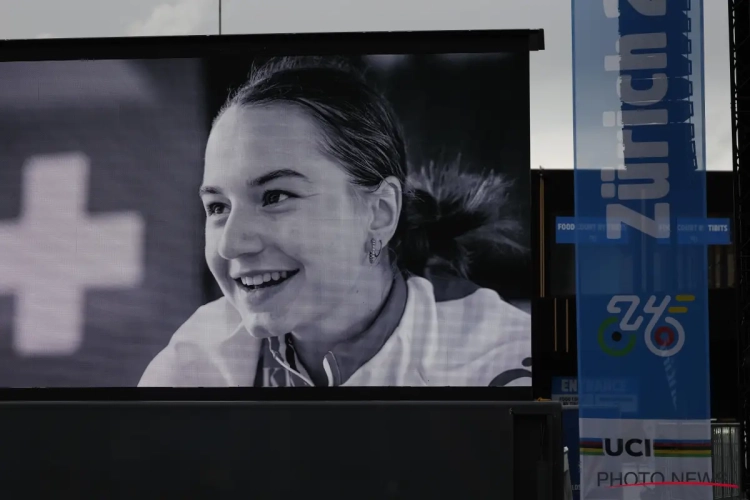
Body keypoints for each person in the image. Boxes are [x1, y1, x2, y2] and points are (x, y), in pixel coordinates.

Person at [139, 56, 531, 387]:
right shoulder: (196, 363)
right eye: (218, 207)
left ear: (380, 213)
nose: (230, 244)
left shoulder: (498, 362)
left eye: (275, 196)